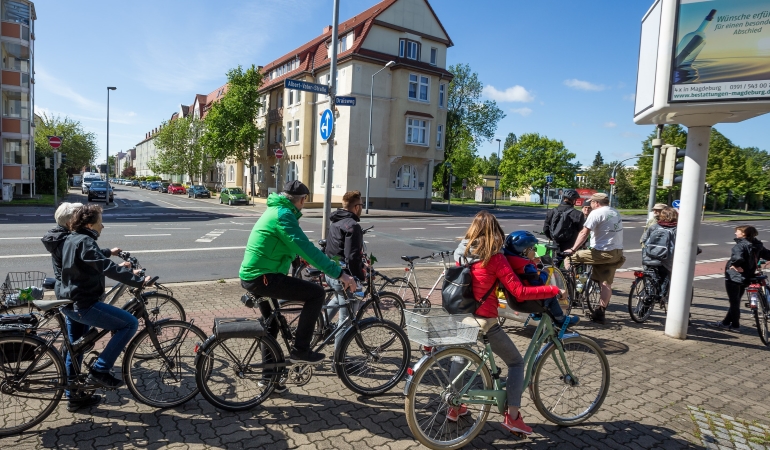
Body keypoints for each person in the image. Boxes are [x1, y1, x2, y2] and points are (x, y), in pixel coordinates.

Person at [451, 211, 565, 436]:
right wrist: (554, 289)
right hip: (484, 318)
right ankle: (513, 417)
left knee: (459, 356)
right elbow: (520, 292)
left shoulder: (462, 250)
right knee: (515, 362)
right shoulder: (495, 257)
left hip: (460, 313)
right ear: (496, 231)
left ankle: (453, 408)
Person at [239, 180, 356, 368]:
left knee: (272, 326)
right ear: (302, 200)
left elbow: (286, 244)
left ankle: (270, 380)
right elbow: (307, 248)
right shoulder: (284, 215)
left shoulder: (276, 210)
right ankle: (301, 350)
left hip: (255, 275)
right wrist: (340, 274)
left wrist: (299, 257)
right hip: (263, 277)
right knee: (316, 294)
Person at [58, 204, 151, 410]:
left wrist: (110, 254)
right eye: (100, 222)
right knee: (129, 323)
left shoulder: (72, 238)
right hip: (83, 304)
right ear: (90, 224)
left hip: (68, 301)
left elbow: (94, 257)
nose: (103, 226)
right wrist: (136, 280)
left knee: (76, 349)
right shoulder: (85, 241)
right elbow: (104, 266)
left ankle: (73, 396)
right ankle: (100, 370)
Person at [563, 193, 625, 324]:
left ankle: (572, 285)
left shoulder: (596, 213)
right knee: (606, 283)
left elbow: (584, 233)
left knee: (569, 258)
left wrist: (573, 249)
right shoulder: (615, 212)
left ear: (596, 203)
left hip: (601, 252)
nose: (590, 204)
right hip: (616, 253)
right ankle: (600, 312)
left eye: (591, 202)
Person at [503, 231, 579, 328]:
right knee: (550, 296)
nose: (535, 251)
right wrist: (545, 273)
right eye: (533, 249)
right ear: (525, 251)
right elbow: (537, 282)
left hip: (515, 300)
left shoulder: (510, 262)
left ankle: (537, 314)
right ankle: (561, 319)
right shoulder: (526, 267)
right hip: (530, 300)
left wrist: (531, 262)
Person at [324, 190, 365, 354]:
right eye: (361, 205)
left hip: (331, 273)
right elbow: (352, 257)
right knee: (346, 320)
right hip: (344, 277)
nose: (362, 208)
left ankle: (321, 328)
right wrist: (360, 277)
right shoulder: (353, 226)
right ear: (356, 207)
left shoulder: (336, 222)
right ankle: (339, 358)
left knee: (337, 300)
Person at [709, 225, 770, 331]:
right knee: (736, 300)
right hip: (748, 276)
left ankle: (735, 325)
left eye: (737, 232)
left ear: (743, 234)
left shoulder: (740, 245)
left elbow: (738, 257)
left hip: (734, 277)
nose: (735, 233)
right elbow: (768, 255)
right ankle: (725, 323)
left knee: (734, 302)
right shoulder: (757, 245)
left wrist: (736, 265)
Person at [542, 189, 586, 265]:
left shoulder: (552, 211)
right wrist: (582, 244)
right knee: (570, 265)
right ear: (573, 200)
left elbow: (545, 228)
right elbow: (581, 231)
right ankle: (570, 275)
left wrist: (552, 237)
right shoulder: (578, 214)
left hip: (556, 243)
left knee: (555, 264)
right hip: (571, 245)